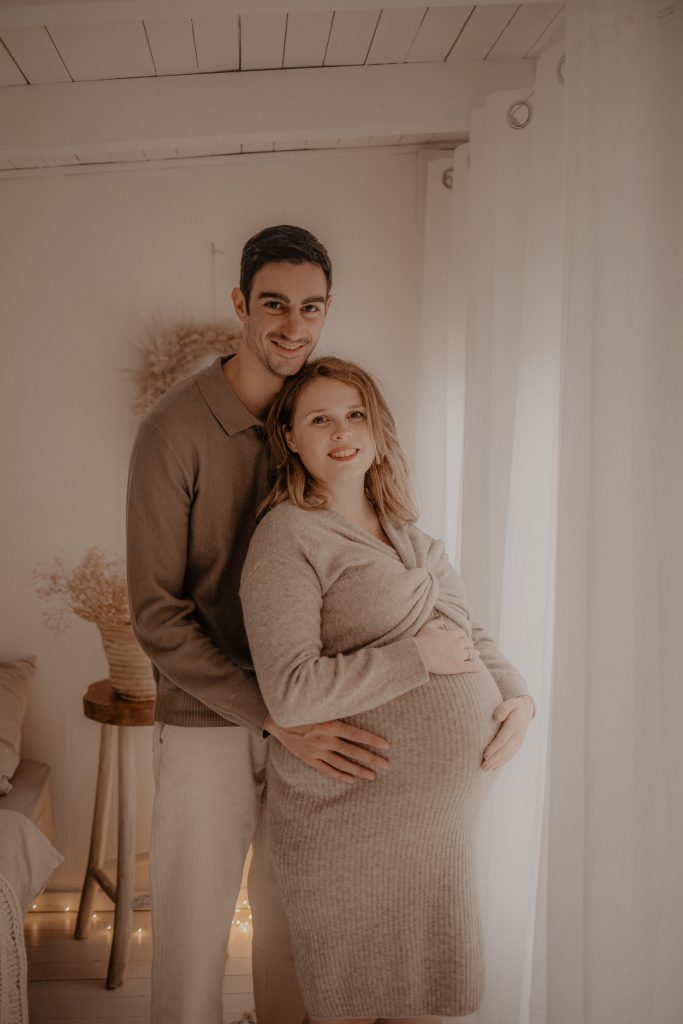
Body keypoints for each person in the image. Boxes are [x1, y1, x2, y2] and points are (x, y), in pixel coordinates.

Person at [126, 225, 479, 1024]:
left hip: (322, 718)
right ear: (240, 304)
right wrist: (274, 712)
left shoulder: (315, 417)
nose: (293, 325)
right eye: (275, 305)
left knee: (297, 925)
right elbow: (155, 611)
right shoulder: (173, 431)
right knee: (194, 932)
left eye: (311, 307)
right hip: (214, 718)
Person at [240, 356, 535, 1024]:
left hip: (436, 834)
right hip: (350, 823)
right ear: (290, 437)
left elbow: (469, 634)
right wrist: (414, 658)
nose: (340, 430)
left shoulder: (413, 536)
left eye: (354, 414)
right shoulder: (288, 535)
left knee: (422, 1001)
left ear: (377, 430)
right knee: (347, 1001)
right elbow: (289, 690)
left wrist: (518, 696)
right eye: (318, 418)